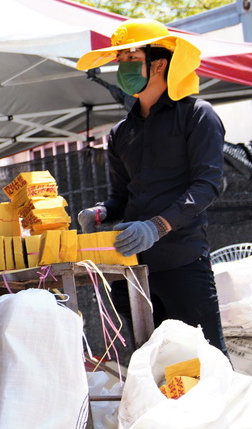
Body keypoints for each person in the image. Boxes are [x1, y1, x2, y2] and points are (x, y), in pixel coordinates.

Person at [76, 18, 227, 354]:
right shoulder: (120, 133)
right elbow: (121, 197)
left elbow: (208, 185)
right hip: (129, 268)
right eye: (121, 61)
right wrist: (101, 213)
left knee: (207, 363)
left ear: (159, 63)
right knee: (152, 366)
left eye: (131, 58)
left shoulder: (197, 115)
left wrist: (157, 226)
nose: (122, 68)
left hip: (183, 264)